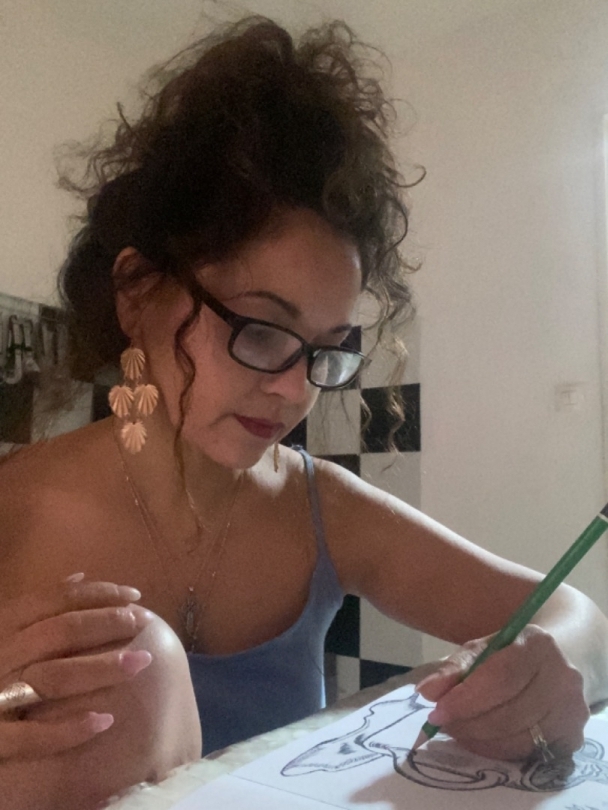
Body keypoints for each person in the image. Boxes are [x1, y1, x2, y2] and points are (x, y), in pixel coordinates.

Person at [0, 15, 606, 810]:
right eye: (259, 330)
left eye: (325, 349)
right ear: (137, 292)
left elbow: (574, 613)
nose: (295, 391)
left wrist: (552, 666)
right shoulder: (14, 506)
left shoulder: (324, 511)